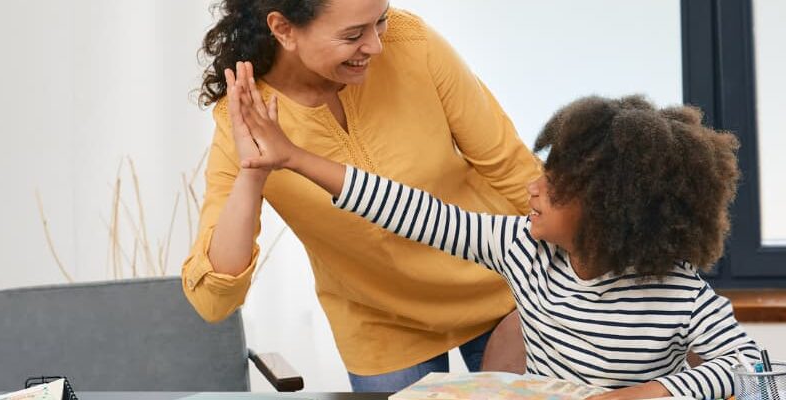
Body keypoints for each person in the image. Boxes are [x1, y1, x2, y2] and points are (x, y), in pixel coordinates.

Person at [233, 86, 761, 399]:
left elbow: (753, 370)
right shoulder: (522, 248)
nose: (533, 185)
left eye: (555, 182)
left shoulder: (677, 292)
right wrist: (294, 157)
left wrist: (650, 393)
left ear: (609, 208)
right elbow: (416, 212)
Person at [182, 0, 542, 391]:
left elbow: (511, 167)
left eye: (381, 21)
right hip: (382, 325)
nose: (376, 46)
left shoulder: (412, 42)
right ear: (284, 29)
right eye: (353, 35)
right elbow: (213, 301)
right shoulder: (245, 116)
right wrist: (252, 173)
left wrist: (579, 273)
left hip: (503, 288)